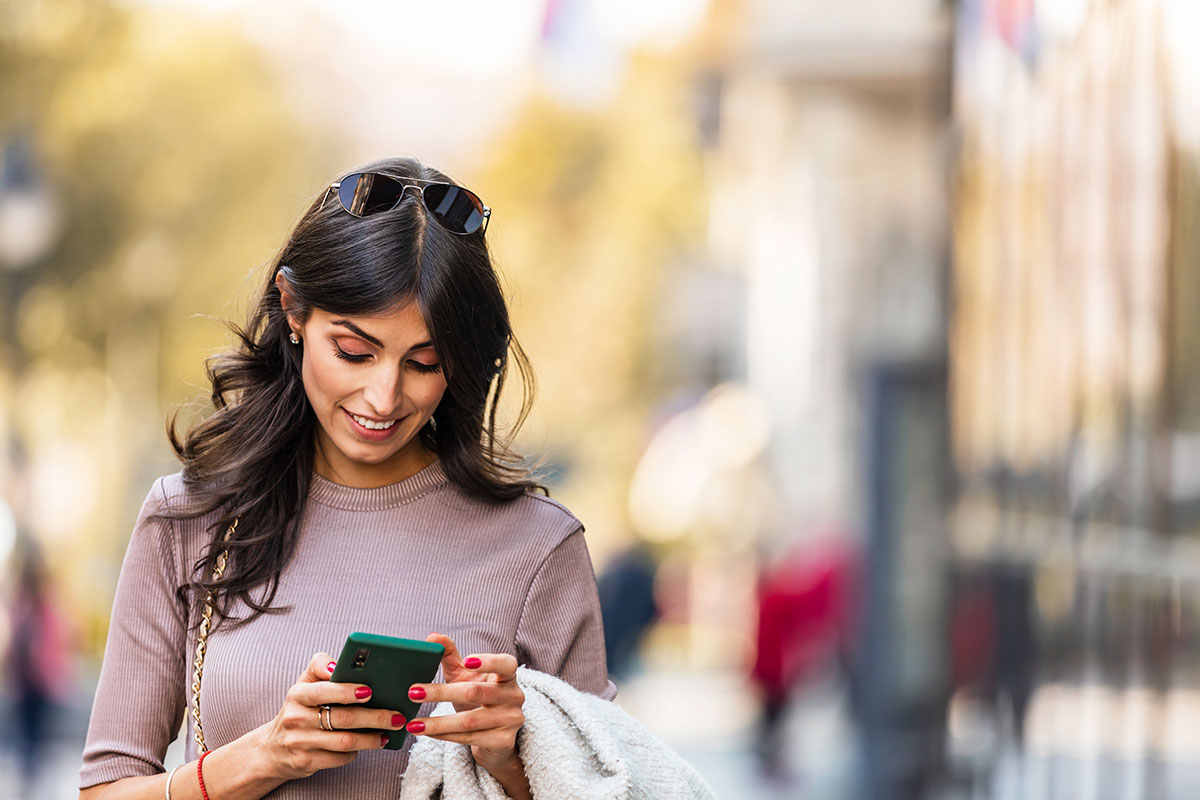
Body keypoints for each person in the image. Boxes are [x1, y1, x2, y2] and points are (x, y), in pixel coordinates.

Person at [78, 158, 613, 800]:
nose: (383, 397)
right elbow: (104, 792)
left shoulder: (537, 549)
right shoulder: (190, 518)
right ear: (293, 310)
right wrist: (264, 756)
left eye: (424, 364)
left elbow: (611, 784)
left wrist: (510, 760)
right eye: (354, 353)